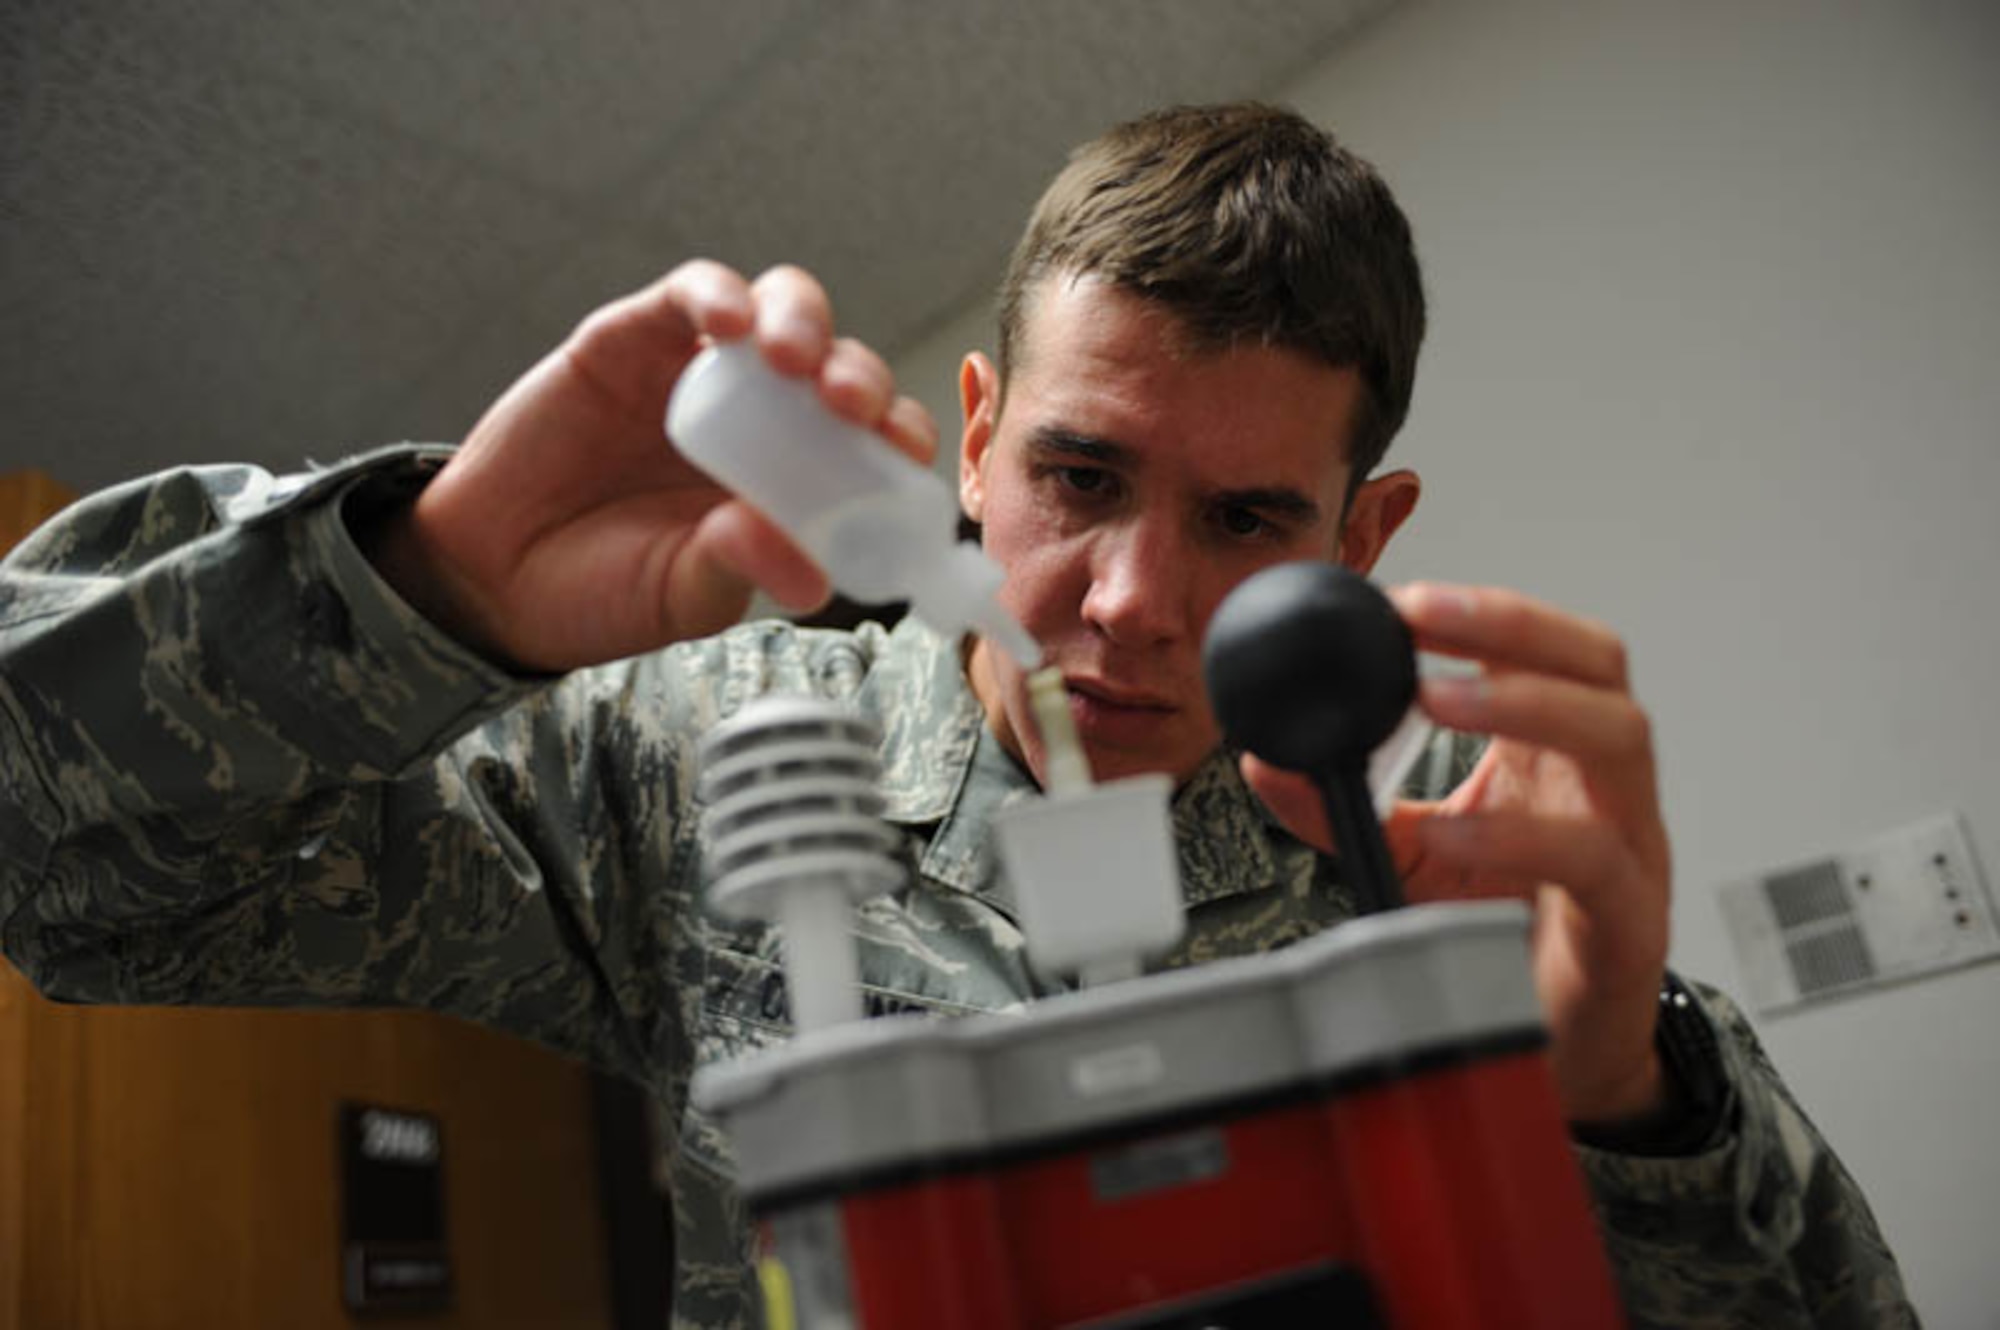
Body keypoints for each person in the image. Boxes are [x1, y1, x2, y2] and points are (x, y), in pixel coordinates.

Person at [0, 103, 1913, 1328]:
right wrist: (425, 595)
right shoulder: (713, 758)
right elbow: (63, 888)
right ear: (977, 444)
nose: (1132, 600)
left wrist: (1628, 1104)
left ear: (1363, 535)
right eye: (1080, 476)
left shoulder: (1452, 846)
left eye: (1246, 520)